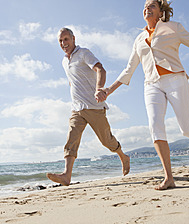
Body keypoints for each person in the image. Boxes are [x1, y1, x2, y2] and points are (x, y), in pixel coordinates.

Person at [99, 0, 189, 190]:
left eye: (151, 6)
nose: (147, 9)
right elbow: (129, 69)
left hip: (175, 79)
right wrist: (108, 90)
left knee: (186, 127)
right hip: (151, 85)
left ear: (160, 12)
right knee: (155, 126)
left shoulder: (173, 28)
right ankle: (169, 177)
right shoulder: (139, 39)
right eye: (145, 7)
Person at [46, 27, 130, 186]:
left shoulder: (84, 53)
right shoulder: (65, 61)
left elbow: (100, 69)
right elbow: (73, 81)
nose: (64, 43)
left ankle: (123, 156)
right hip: (77, 108)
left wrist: (99, 89)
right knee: (72, 139)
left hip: (94, 106)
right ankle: (66, 175)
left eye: (66, 39)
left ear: (73, 39)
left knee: (107, 141)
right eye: (60, 40)